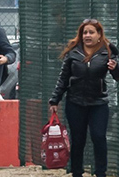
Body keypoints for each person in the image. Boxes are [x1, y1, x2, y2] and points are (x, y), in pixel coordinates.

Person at [49, 19, 119, 177]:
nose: (87, 35)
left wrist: (116, 68)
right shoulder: (73, 52)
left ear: (99, 35)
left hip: (98, 103)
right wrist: (55, 100)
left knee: (99, 136)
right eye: (85, 32)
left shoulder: (108, 50)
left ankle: (101, 172)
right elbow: (63, 78)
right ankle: (77, 172)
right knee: (78, 139)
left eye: (91, 32)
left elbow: (117, 76)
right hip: (75, 102)